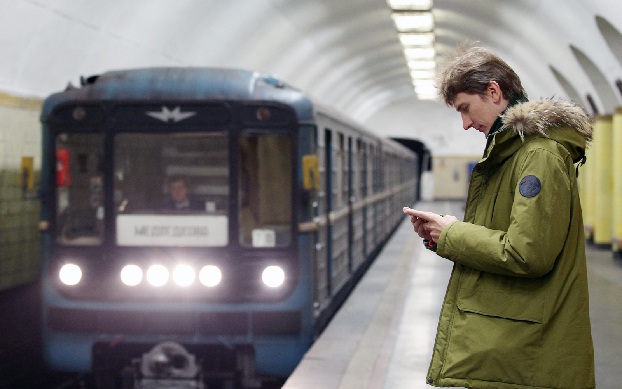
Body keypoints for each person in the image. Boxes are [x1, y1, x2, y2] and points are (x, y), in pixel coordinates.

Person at [403, 45, 595, 389]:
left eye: (465, 109)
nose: (464, 124)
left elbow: (526, 253)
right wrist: (443, 232)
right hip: (511, 342)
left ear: (494, 91)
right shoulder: (511, 153)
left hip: (528, 352)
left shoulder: (538, 155)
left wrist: (454, 234)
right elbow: (501, 234)